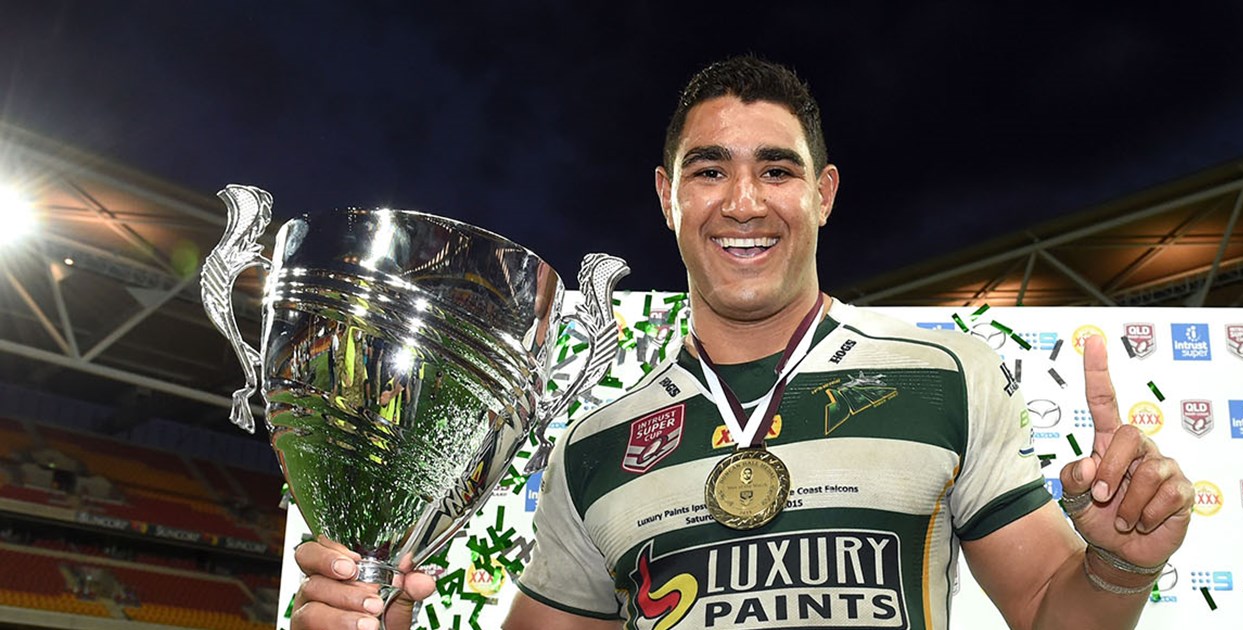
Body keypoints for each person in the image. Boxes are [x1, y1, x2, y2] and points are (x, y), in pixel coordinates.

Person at [290, 56, 1193, 630]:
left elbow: (1046, 610)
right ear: (667, 196)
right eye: (709, 170)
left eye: (777, 169)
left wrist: (1119, 566)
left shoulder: (948, 379)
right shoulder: (594, 448)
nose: (744, 202)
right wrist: (378, 618)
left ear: (824, 194)